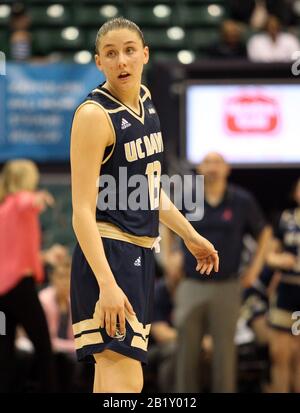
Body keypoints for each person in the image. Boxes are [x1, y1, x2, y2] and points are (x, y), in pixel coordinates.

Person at [70, 17, 219, 394]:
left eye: (129, 50)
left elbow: (149, 189)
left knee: (111, 382)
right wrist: (106, 283)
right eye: (111, 53)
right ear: (98, 61)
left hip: (138, 256)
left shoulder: (147, 102)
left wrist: (189, 234)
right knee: (126, 382)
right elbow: (82, 212)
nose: (122, 61)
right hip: (107, 257)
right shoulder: (93, 116)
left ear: (145, 54)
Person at [166, 152, 271, 393]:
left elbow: (264, 232)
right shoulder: (187, 197)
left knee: (225, 353)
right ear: (200, 169)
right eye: (208, 162)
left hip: (227, 285)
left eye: (218, 162)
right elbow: (165, 223)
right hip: (191, 284)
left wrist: (254, 269)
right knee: (186, 352)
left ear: (227, 169)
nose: (212, 167)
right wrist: (169, 256)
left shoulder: (241, 200)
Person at [0, 159, 56, 392]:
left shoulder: (3, 210)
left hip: (3, 294)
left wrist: (45, 257)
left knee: (3, 350)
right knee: (43, 346)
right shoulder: (18, 205)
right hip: (20, 289)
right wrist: (38, 199)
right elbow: (25, 201)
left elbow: (12, 255)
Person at [266, 177, 300, 392]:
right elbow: (269, 255)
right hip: (288, 289)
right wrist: (278, 260)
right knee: (280, 354)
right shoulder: (285, 219)